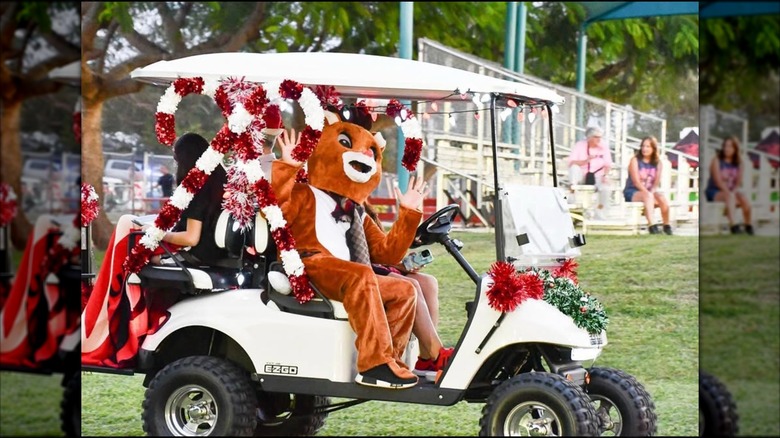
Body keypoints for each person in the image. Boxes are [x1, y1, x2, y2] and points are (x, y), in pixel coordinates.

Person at [82, 132, 228, 368]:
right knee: (130, 225)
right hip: (208, 252)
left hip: (194, 253)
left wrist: (156, 233)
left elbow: (191, 236)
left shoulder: (197, 187)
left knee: (127, 227)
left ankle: (111, 322)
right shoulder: (217, 182)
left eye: (177, 159)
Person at [363, 202, 453, 380]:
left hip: (376, 266)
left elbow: (379, 250)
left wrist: (400, 264)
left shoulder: (364, 209)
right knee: (411, 284)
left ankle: (426, 359)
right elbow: (358, 257)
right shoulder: (341, 210)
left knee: (428, 282)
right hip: (360, 271)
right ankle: (437, 352)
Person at [704, 136, 753, 235]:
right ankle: (734, 226)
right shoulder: (717, 160)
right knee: (729, 196)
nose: (727, 148)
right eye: (725, 146)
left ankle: (748, 225)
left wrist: (734, 193)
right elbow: (718, 181)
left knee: (743, 198)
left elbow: (738, 182)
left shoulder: (739, 163)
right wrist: (730, 194)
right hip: (714, 191)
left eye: (730, 146)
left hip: (730, 192)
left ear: (735, 149)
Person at [623, 136, 672, 235]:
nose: (644, 149)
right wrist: (649, 194)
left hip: (649, 192)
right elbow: (636, 182)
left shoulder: (658, 163)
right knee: (648, 196)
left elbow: (655, 184)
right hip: (632, 191)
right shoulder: (635, 160)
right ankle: (652, 226)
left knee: (661, 197)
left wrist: (652, 193)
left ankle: (666, 225)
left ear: (653, 148)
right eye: (643, 146)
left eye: (648, 146)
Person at [568, 126, 613, 219]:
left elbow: (608, 164)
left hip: (598, 175)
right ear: (589, 137)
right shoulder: (579, 145)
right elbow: (571, 162)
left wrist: (605, 175)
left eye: (600, 137)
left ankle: (600, 215)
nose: (599, 139)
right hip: (582, 173)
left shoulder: (604, 147)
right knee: (574, 168)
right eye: (596, 137)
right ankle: (572, 195)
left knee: (606, 188)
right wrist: (585, 161)